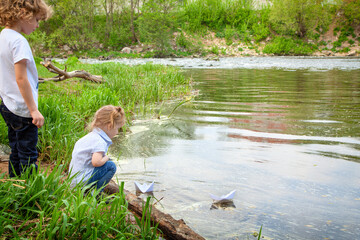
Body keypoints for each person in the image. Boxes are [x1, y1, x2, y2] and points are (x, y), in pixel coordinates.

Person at [0, 0, 52, 177]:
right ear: (24, 14)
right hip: (23, 109)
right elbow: (21, 79)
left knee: (16, 148)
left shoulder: (3, 36)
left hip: (8, 104)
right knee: (28, 153)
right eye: (37, 20)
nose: (38, 25)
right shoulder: (19, 41)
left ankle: (16, 183)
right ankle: (31, 190)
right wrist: (34, 110)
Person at [69, 105, 126, 194]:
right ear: (110, 126)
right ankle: (95, 193)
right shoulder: (99, 141)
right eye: (117, 128)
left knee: (106, 163)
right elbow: (96, 162)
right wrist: (106, 158)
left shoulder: (90, 137)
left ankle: (88, 190)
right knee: (111, 166)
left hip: (74, 180)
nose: (117, 132)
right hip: (82, 182)